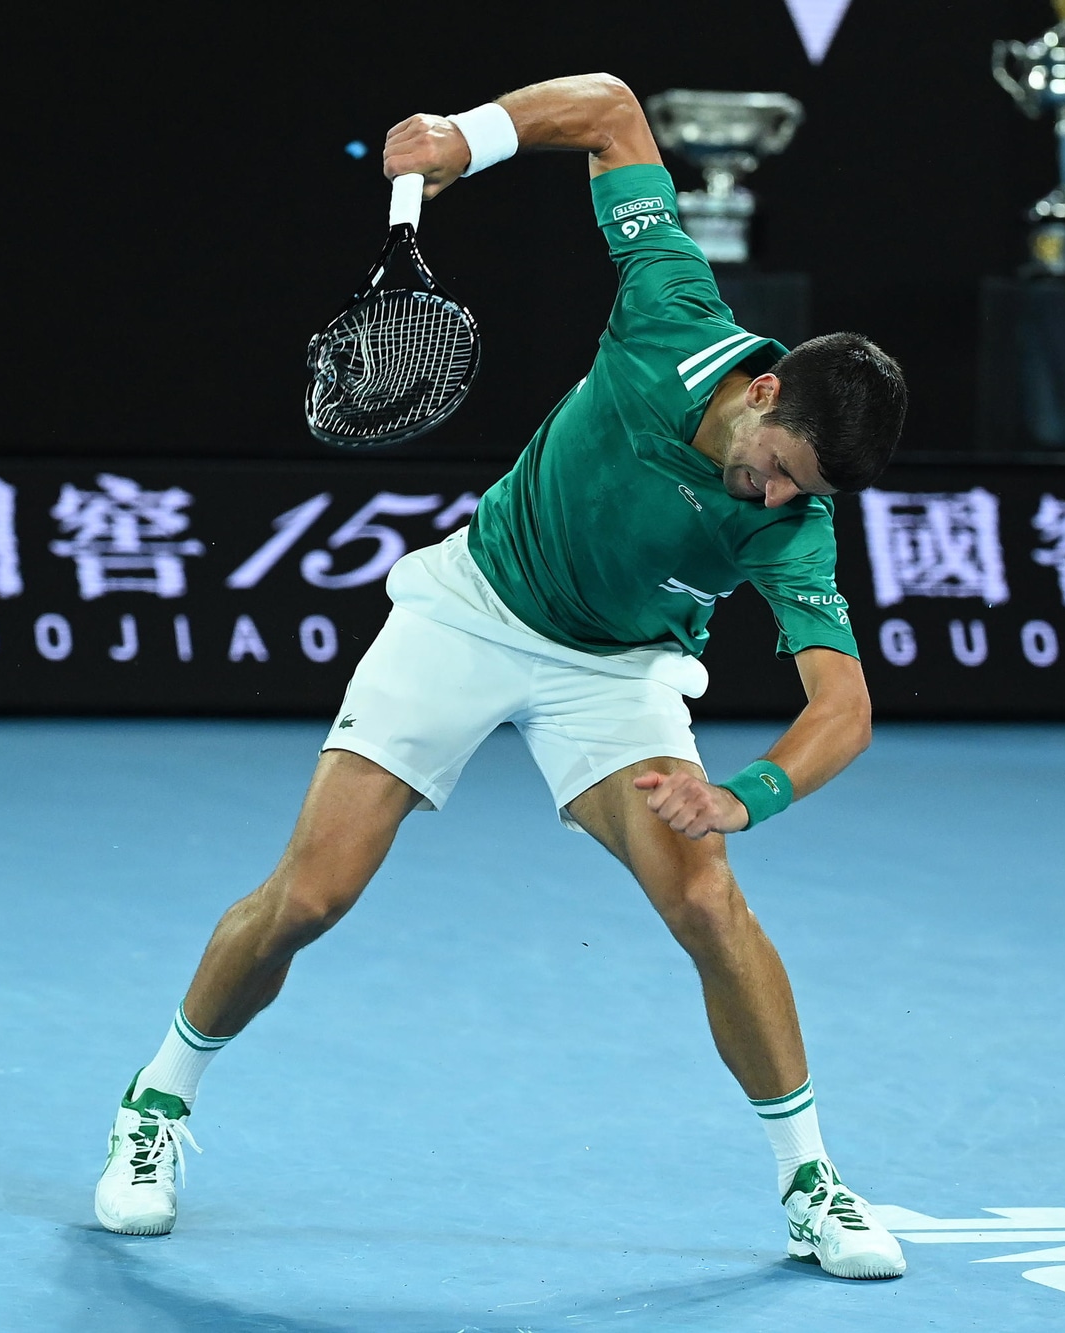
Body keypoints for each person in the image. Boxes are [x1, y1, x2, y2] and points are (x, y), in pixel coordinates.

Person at [93, 72, 910, 1280]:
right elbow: (611, 110)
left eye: (806, 491)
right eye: (779, 465)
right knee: (310, 896)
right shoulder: (670, 309)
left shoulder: (790, 527)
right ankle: (153, 1107)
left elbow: (842, 708)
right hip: (471, 611)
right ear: (761, 388)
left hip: (615, 672)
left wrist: (742, 796)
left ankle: (810, 1183)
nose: (779, 495)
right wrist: (463, 141)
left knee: (706, 902)